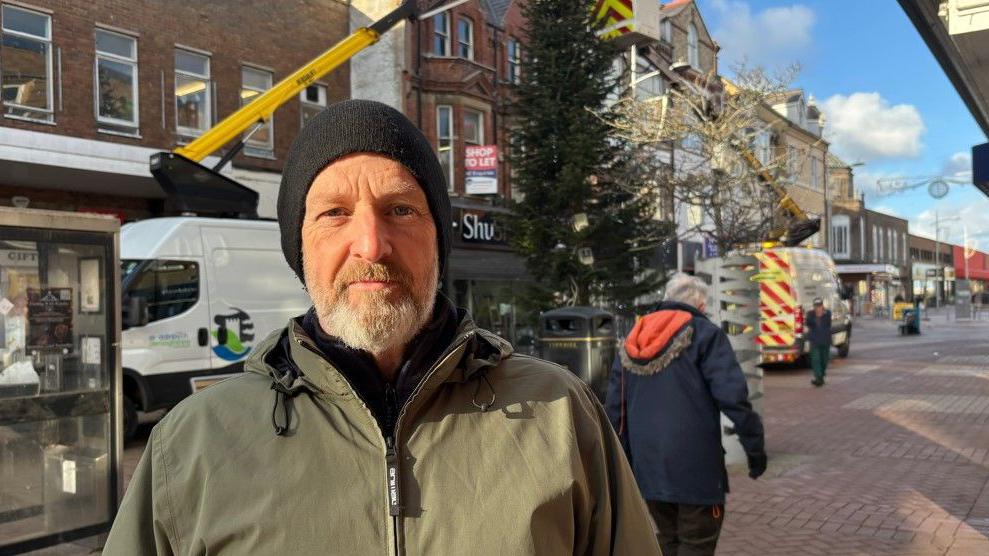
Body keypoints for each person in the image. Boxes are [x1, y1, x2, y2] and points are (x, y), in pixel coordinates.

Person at [103, 100, 661, 555]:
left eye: (399, 209)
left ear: (438, 239)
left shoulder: (560, 413)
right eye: (334, 213)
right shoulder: (193, 441)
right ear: (300, 246)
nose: (371, 244)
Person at [605, 273, 767, 556]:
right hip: (697, 471)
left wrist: (623, 466)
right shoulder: (704, 334)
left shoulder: (633, 337)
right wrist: (755, 451)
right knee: (697, 543)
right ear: (701, 305)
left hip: (648, 468)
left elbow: (615, 411)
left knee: (668, 540)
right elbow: (734, 399)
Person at [805, 297, 832, 386]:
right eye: (816, 306)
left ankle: (821, 376)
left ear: (822, 306)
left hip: (825, 341)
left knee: (824, 360)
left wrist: (821, 315)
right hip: (815, 341)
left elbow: (828, 322)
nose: (818, 308)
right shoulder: (810, 314)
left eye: (819, 306)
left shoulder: (827, 313)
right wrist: (815, 316)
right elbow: (808, 322)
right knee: (816, 360)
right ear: (814, 307)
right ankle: (818, 378)